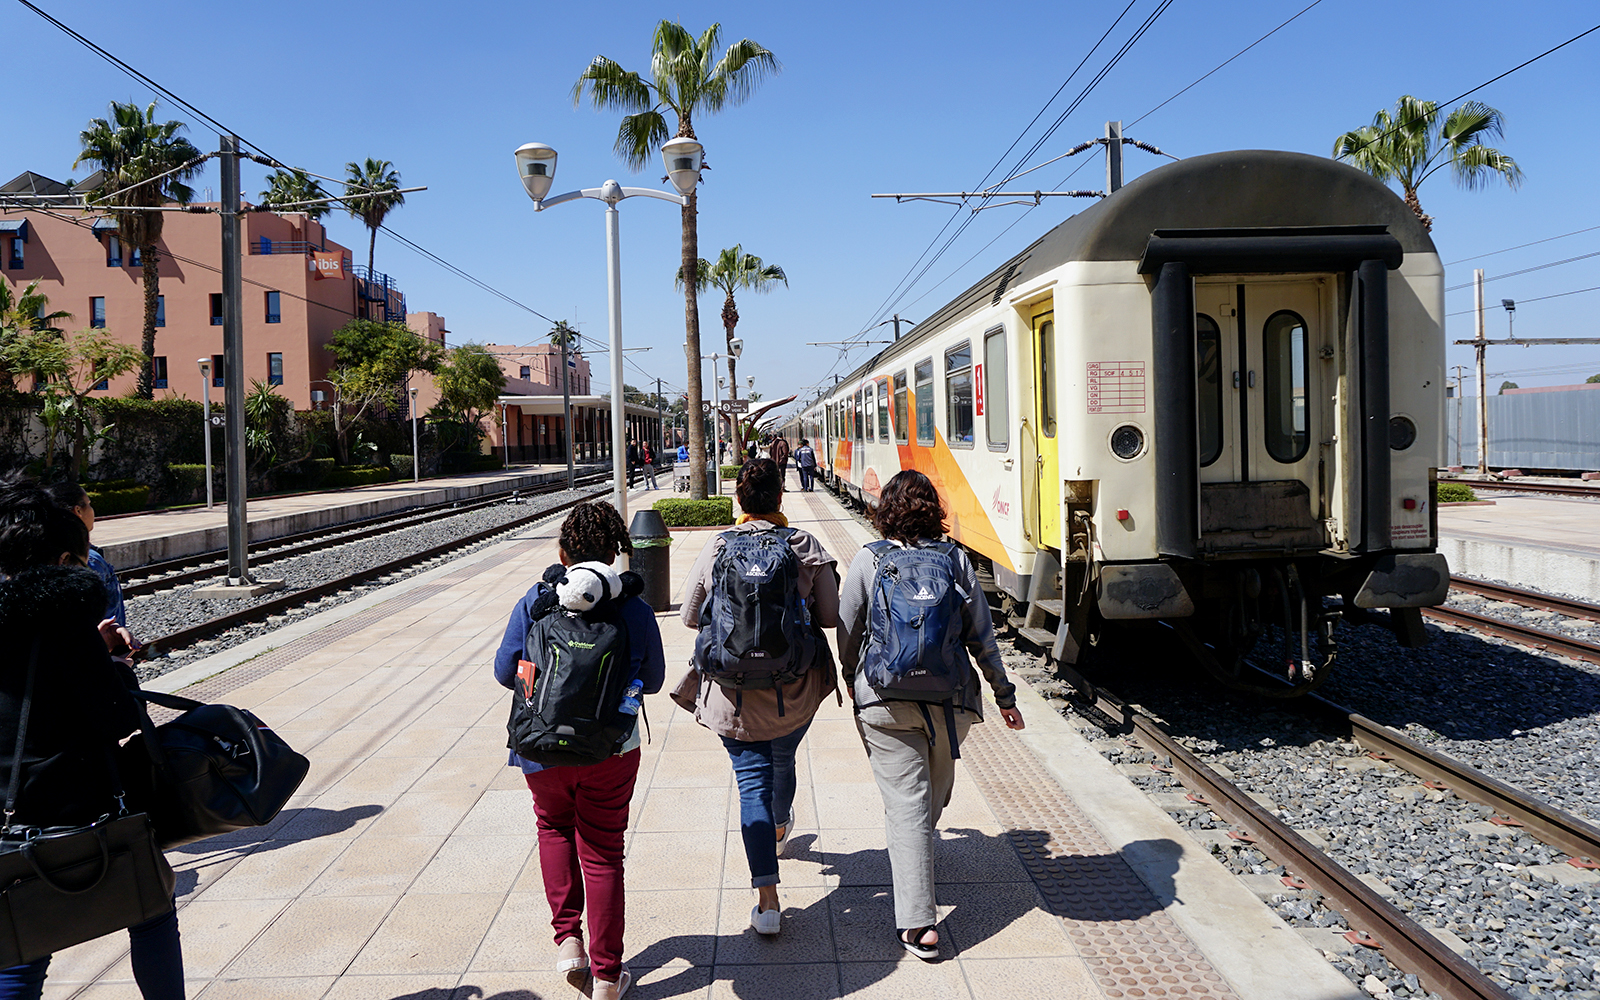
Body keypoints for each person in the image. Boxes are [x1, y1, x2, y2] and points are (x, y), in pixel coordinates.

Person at [0, 475, 184, 1000]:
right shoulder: (63, 625)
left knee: (21, 944)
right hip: (77, 802)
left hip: (7, 814)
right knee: (151, 910)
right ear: (63, 562)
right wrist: (115, 664)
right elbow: (116, 718)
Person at [836, 470, 1024, 960]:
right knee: (922, 801)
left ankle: (915, 867)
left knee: (912, 805)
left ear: (886, 511)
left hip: (883, 702)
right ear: (932, 510)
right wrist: (1004, 696)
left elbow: (848, 628)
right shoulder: (957, 560)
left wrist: (854, 678)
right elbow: (982, 636)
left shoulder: (868, 560)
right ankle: (919, 920)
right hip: (950, 702)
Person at [493, 501, 664, 1000]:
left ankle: (569, 940)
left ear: (562, 552)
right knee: (604, 851)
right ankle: (609, 976)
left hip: (540, 747)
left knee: (552, 827)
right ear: (615, 554)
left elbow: (506, 672)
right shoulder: (631, 605)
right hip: (610, 748)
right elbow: (651, 680)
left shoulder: (537, 598)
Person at [674, 459, 839, 935]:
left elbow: (689, 616)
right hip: (794, 691)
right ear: (780, 498)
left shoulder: (718, 545)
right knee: (783, 759)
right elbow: (829, 616)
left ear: (739, 501)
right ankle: (782, 826)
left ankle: (768, 902)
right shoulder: (803, 544)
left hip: (734, 696)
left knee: (752, 787)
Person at [45, 483, 134, 643]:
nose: (93, 511)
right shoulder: (87, 560)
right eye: (89, 504)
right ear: (78, 511)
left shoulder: (48, 554)